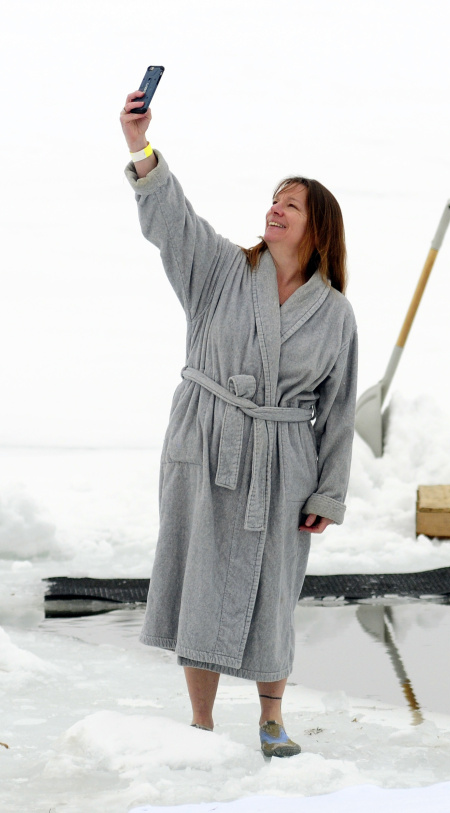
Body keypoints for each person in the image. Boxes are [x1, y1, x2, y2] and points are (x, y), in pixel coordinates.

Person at [119, 88, 358, 758]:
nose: (274, 208)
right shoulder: (221, 268)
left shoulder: (335, 313)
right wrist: (140, 147)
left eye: (292, 203)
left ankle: (272, 717)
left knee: (271, 586)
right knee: (200, 575)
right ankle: (200, 722)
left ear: (318, 227)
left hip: (283, 461)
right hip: (206, 440)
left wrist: (328, 491)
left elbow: (338, 408)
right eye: (274, 198)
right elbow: (171, 218)